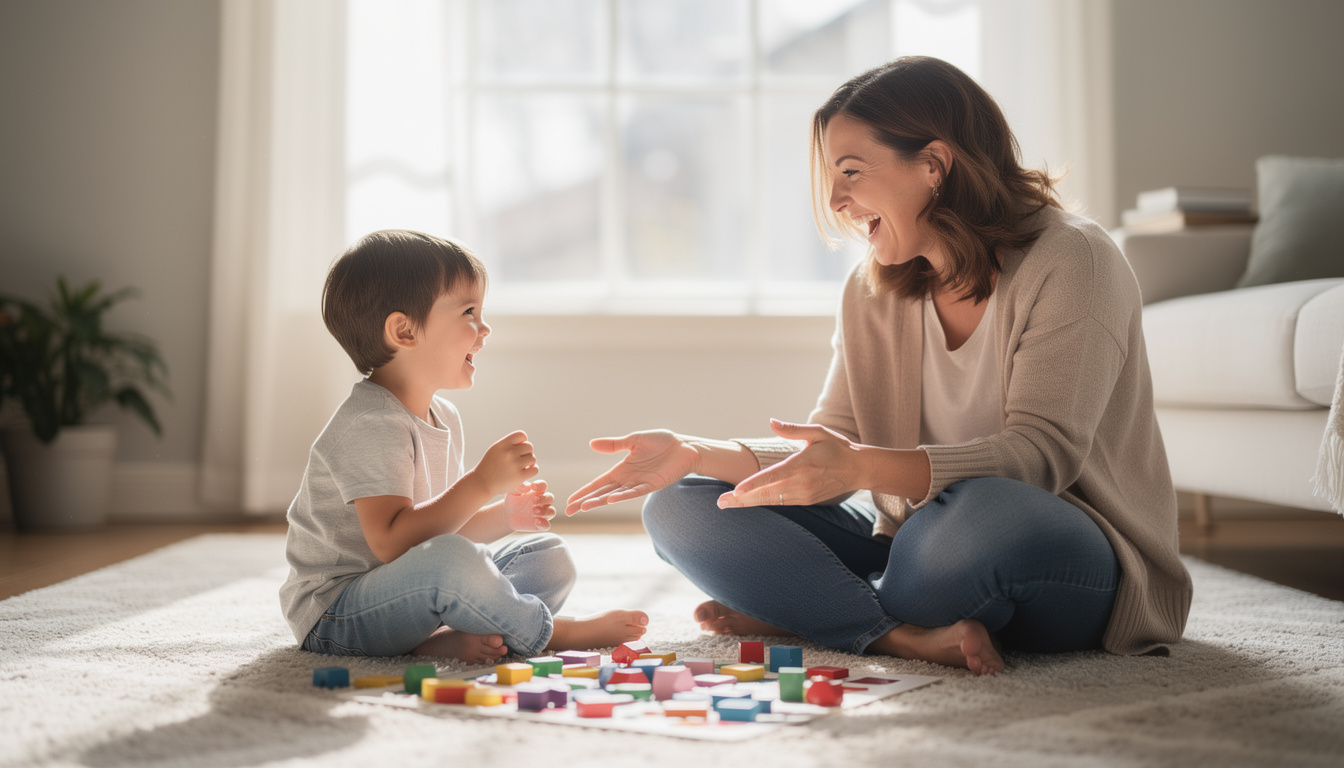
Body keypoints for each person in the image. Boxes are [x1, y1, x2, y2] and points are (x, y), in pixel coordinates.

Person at [566, 57, 1192, 675]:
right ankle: (898, 634)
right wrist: (697, 453)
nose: (836, 199)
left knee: (966, 528)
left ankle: (818, 605)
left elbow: (1040, 456)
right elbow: (832, 447)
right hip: (909, 536)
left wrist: (862, 467)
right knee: (680, 505)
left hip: (1059, 541)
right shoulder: (872, 288)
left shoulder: (1075, 260)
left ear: (934, 166)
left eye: (853, 172)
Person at [280, 229, 648, 663]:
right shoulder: (370, 424)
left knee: (547, 556)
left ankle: (439, 639)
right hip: (337, 614)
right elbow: (393, 544)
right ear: (404, 331)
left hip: (413, 587)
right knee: (453, 562)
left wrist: (505, 516)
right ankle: (548, 632)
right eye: (469, 312)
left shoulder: (444, 416)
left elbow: (438, 532)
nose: (485, 328)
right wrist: (482, 482)